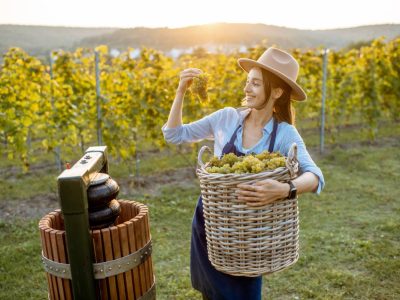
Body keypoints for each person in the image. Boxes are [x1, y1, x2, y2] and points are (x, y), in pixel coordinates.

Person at [161, 47, 325, 300]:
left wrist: (285, 190)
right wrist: (181, 91)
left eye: (256, 84)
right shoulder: (227, 118)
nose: (247, 89)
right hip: (212, 223)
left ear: (277, 92)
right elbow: (174, 134)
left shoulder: (284, 134)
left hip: (249, 235)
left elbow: (314, 176)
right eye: (248, 82)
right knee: (211, 294)